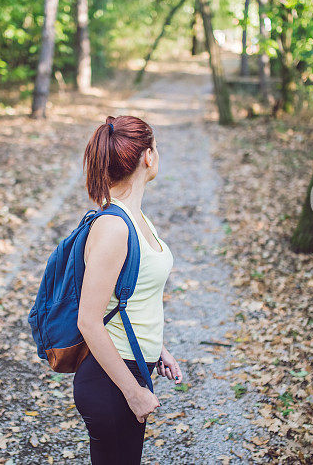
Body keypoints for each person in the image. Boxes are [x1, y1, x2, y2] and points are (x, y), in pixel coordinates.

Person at [74, 115, 184, 465]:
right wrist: (133, 392)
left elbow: (130, 297)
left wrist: (158, 346)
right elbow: (89, 320)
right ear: (148, 157)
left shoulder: (138, 219)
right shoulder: (113, 227)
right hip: (111, 380)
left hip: (133, 367)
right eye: (156, 148)